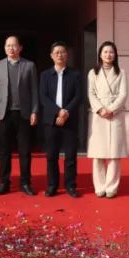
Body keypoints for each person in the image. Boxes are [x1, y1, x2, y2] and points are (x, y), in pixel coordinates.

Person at [0, 35, 39, 195]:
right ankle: (4, 182)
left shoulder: (29, 65)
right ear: (5, 48)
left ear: (20, 48)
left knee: (24, 151)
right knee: (4, 150)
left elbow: (34, 90)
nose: (11, 48)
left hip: (23, 113)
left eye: (14, 45)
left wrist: (34, 111)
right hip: (4, 113)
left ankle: (25, 183)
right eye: (8, 46)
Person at [38, 42, 85, 197]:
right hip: (51, 121)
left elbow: (78, 96)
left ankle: (70, 185)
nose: (60, 55)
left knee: (70, 156)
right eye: (56, 52)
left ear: (67, 55)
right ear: (51, 56)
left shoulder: (75, 74)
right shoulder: (45, 75)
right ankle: (52, 185)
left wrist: (66, 112)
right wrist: (58, 112)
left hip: (70, 120)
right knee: (52, 156)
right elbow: (43, 97)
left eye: (63, 52)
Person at [88, 41, 128, 199]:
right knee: (98, 153)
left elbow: (123, 95)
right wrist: (100, 109)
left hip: (115, 115)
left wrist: (111, 109)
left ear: (115, 55)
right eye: (105, 52)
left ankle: (111, 187)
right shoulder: (93, 73)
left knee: (114, 153)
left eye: (111, 52)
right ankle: (99, 186)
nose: (108, 55)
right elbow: (91, 93)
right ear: (100, 54)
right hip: (99, 115)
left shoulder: (121, 72)